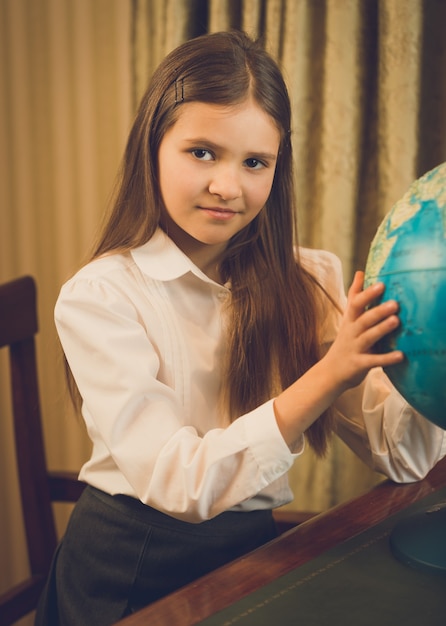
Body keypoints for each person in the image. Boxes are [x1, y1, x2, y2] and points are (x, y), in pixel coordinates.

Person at [35, 30, 445, 626]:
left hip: (253, 552)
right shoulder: (100, 296)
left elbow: (404, 458)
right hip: (128, 570)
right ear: (153, 146)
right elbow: (181, 485)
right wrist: (329, 375)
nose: (229, 187)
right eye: (202, 151)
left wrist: (419, 350)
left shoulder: (310, 277)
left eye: (255, 162)